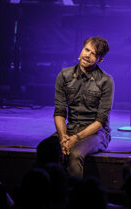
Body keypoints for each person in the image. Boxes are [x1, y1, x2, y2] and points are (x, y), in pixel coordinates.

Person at [46, 36, 114, 178]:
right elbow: (59, 111)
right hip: (71, 128)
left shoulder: (106, 81)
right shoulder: (64, 75)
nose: (87, 55)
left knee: (75, 154)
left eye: (93, 54)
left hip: (96, 133)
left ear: (100, 60)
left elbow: (100, 122)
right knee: (47, 149)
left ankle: (75, 196)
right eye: (86, 50)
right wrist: (63, 136)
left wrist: (75, 138)